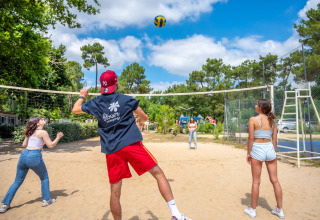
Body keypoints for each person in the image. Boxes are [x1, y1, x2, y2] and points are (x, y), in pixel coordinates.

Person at [72, 70, 192, 220]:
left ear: (102, 87)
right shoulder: (126, 99)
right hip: (131, 144)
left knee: (115, 191)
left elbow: (75, 109)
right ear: (116, 83)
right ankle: (176, 214)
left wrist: (82, 95)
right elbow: (144, 116)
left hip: (112, 150)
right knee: (159, 174)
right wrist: (141, 119)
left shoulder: (95, 102)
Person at [0, 116, 64, 213]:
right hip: (34, 156)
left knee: (17, 181)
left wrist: (29, 137)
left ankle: (5, 205)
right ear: (37, 123)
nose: (43, 119)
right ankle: (46, 200)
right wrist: (58, 137)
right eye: (41, 119)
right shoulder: (43, 132)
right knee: (44, 178)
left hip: (24, 155)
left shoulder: (30, 132)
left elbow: (24, 145)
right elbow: (51, 145)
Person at [244, 99, 284, 219]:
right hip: (270, 149)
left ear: (260, 107)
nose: (255, 105)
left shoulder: (253, 119)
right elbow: (275, 140)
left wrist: (248, 153)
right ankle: (280, 210)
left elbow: (251, 138)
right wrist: (273, 152)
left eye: (257, 104)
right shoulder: (272, 120)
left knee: (256, 181)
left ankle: (253, 210)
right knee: (275, 180)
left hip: (257, 149)